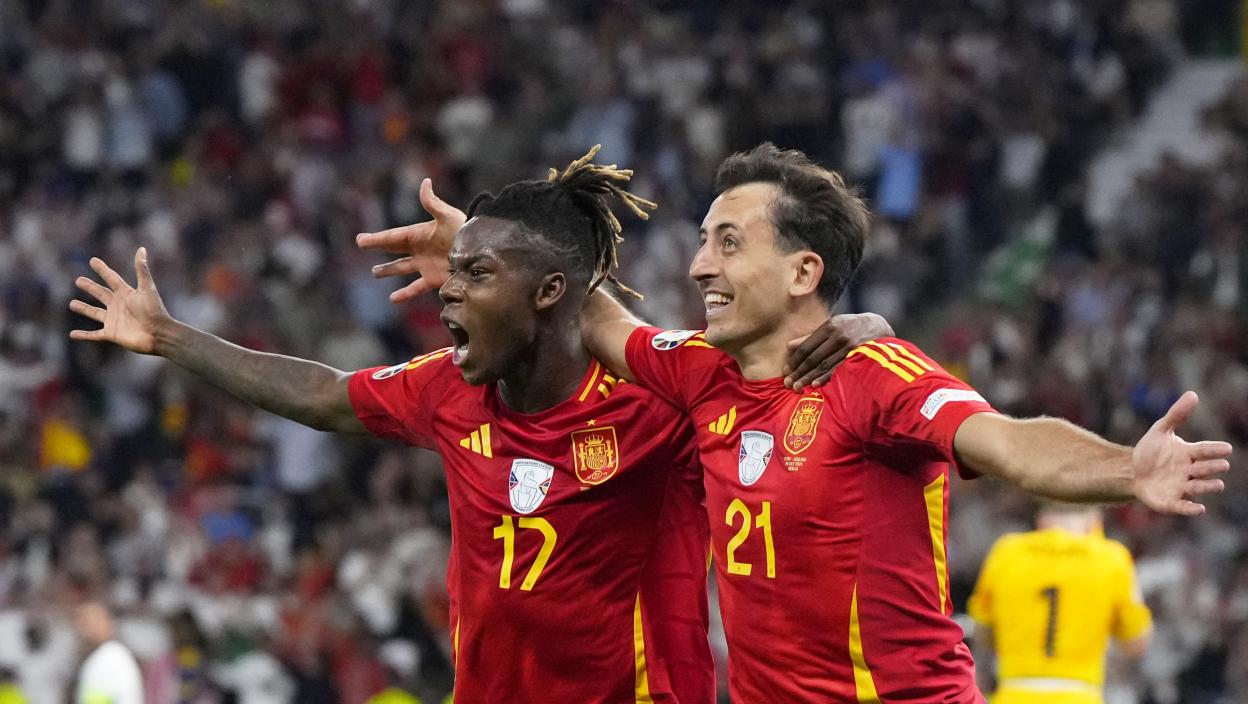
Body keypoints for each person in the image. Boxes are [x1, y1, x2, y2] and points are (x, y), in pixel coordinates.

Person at [360, 143, 1232, 703]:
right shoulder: (699, 376)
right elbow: (593, 313)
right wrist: (479, 253)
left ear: (804, 272)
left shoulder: (874, 376)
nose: (699, 265)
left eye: (728, 243)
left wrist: (1128, 469)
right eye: (704, 240)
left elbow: (1006, 441)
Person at [70, 149, 886, 703]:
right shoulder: (448, 390)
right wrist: (170, 338)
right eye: (453, 273)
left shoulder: (659, 397)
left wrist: (861, 330)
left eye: (475, 274)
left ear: (550, 293)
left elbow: (785, 369)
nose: (448, 292)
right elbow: (323, 395)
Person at [968, 503, 1152, 704]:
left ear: (1042, 522)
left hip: (1013, 694)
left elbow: (982, 633)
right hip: (1080, 696)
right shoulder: (1112, 558)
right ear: (1094, 524)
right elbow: (1136, 644)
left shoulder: (1006, 552)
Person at [72, 602, 144, 704]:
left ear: (108, 623)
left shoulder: (111, 657)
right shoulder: (99, 657)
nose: (84, 631)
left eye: (90, 623)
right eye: (80, 624)